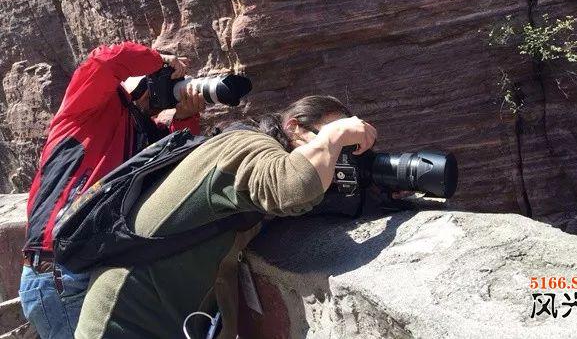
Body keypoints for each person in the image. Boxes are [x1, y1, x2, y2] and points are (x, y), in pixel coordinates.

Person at [74, 95, 377, 339]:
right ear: (294, 126)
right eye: (329, 142)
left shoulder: (245, 154)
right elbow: (294, 187)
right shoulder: (247, 143)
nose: (335, 158)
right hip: (123, 326)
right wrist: (334, 136)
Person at [19, 41, 206, 339]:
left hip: (101, 265)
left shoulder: (144, 132)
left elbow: (175, 168)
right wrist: (159, 59)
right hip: (60, 273)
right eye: (161, 84)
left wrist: (186, 118)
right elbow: (104, 62)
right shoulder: (85, 110)